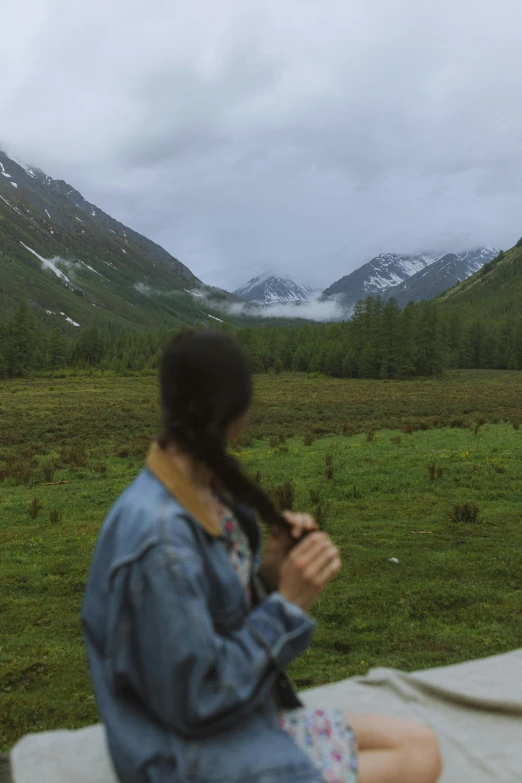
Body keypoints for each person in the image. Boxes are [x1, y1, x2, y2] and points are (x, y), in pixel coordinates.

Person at [82, 330, 442, 783]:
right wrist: (286, 606)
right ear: (238, 415)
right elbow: (201, 697)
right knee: (420, 760)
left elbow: (208, 620)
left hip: (222, 724)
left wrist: (269, 575)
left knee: (419, 741)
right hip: (181, 755)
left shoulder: (201, 494)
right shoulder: (161, 543)